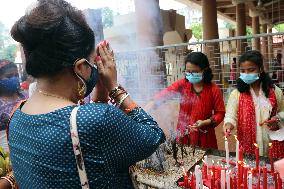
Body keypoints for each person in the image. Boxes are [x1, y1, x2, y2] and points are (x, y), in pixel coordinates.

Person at [0, 0, 165, 188]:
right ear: (80, 67)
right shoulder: (96, 119)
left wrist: (101, 96)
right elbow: (153, 136)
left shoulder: (16, 115)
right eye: (91, 63)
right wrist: (114, 88)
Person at [145, 52, 225, 149]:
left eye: (194, 72)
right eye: (188, 72)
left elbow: (220, 113)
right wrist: (153, 102)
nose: (190, 75)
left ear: (205, 70)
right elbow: (168, 92)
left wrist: (206, 122)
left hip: (205, 136)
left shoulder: (214, 89)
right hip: (184, 134)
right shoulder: (183, 84)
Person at [224, 50, 284, 159]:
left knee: (271, 173)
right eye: (243, 71)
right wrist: (228, 125)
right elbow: (230, 115)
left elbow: (282, 112)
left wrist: (277, 119)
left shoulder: (275, 92)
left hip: (272, 143)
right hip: (247, 144)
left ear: (260, 69)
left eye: (251, 70)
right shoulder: (237, 94)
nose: (246, 74)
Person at [0, 60, 26, 151]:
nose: (14, 79)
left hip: (29, 144)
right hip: (8, 150)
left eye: (16, 76)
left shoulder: (25, 96)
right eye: (9, 76)